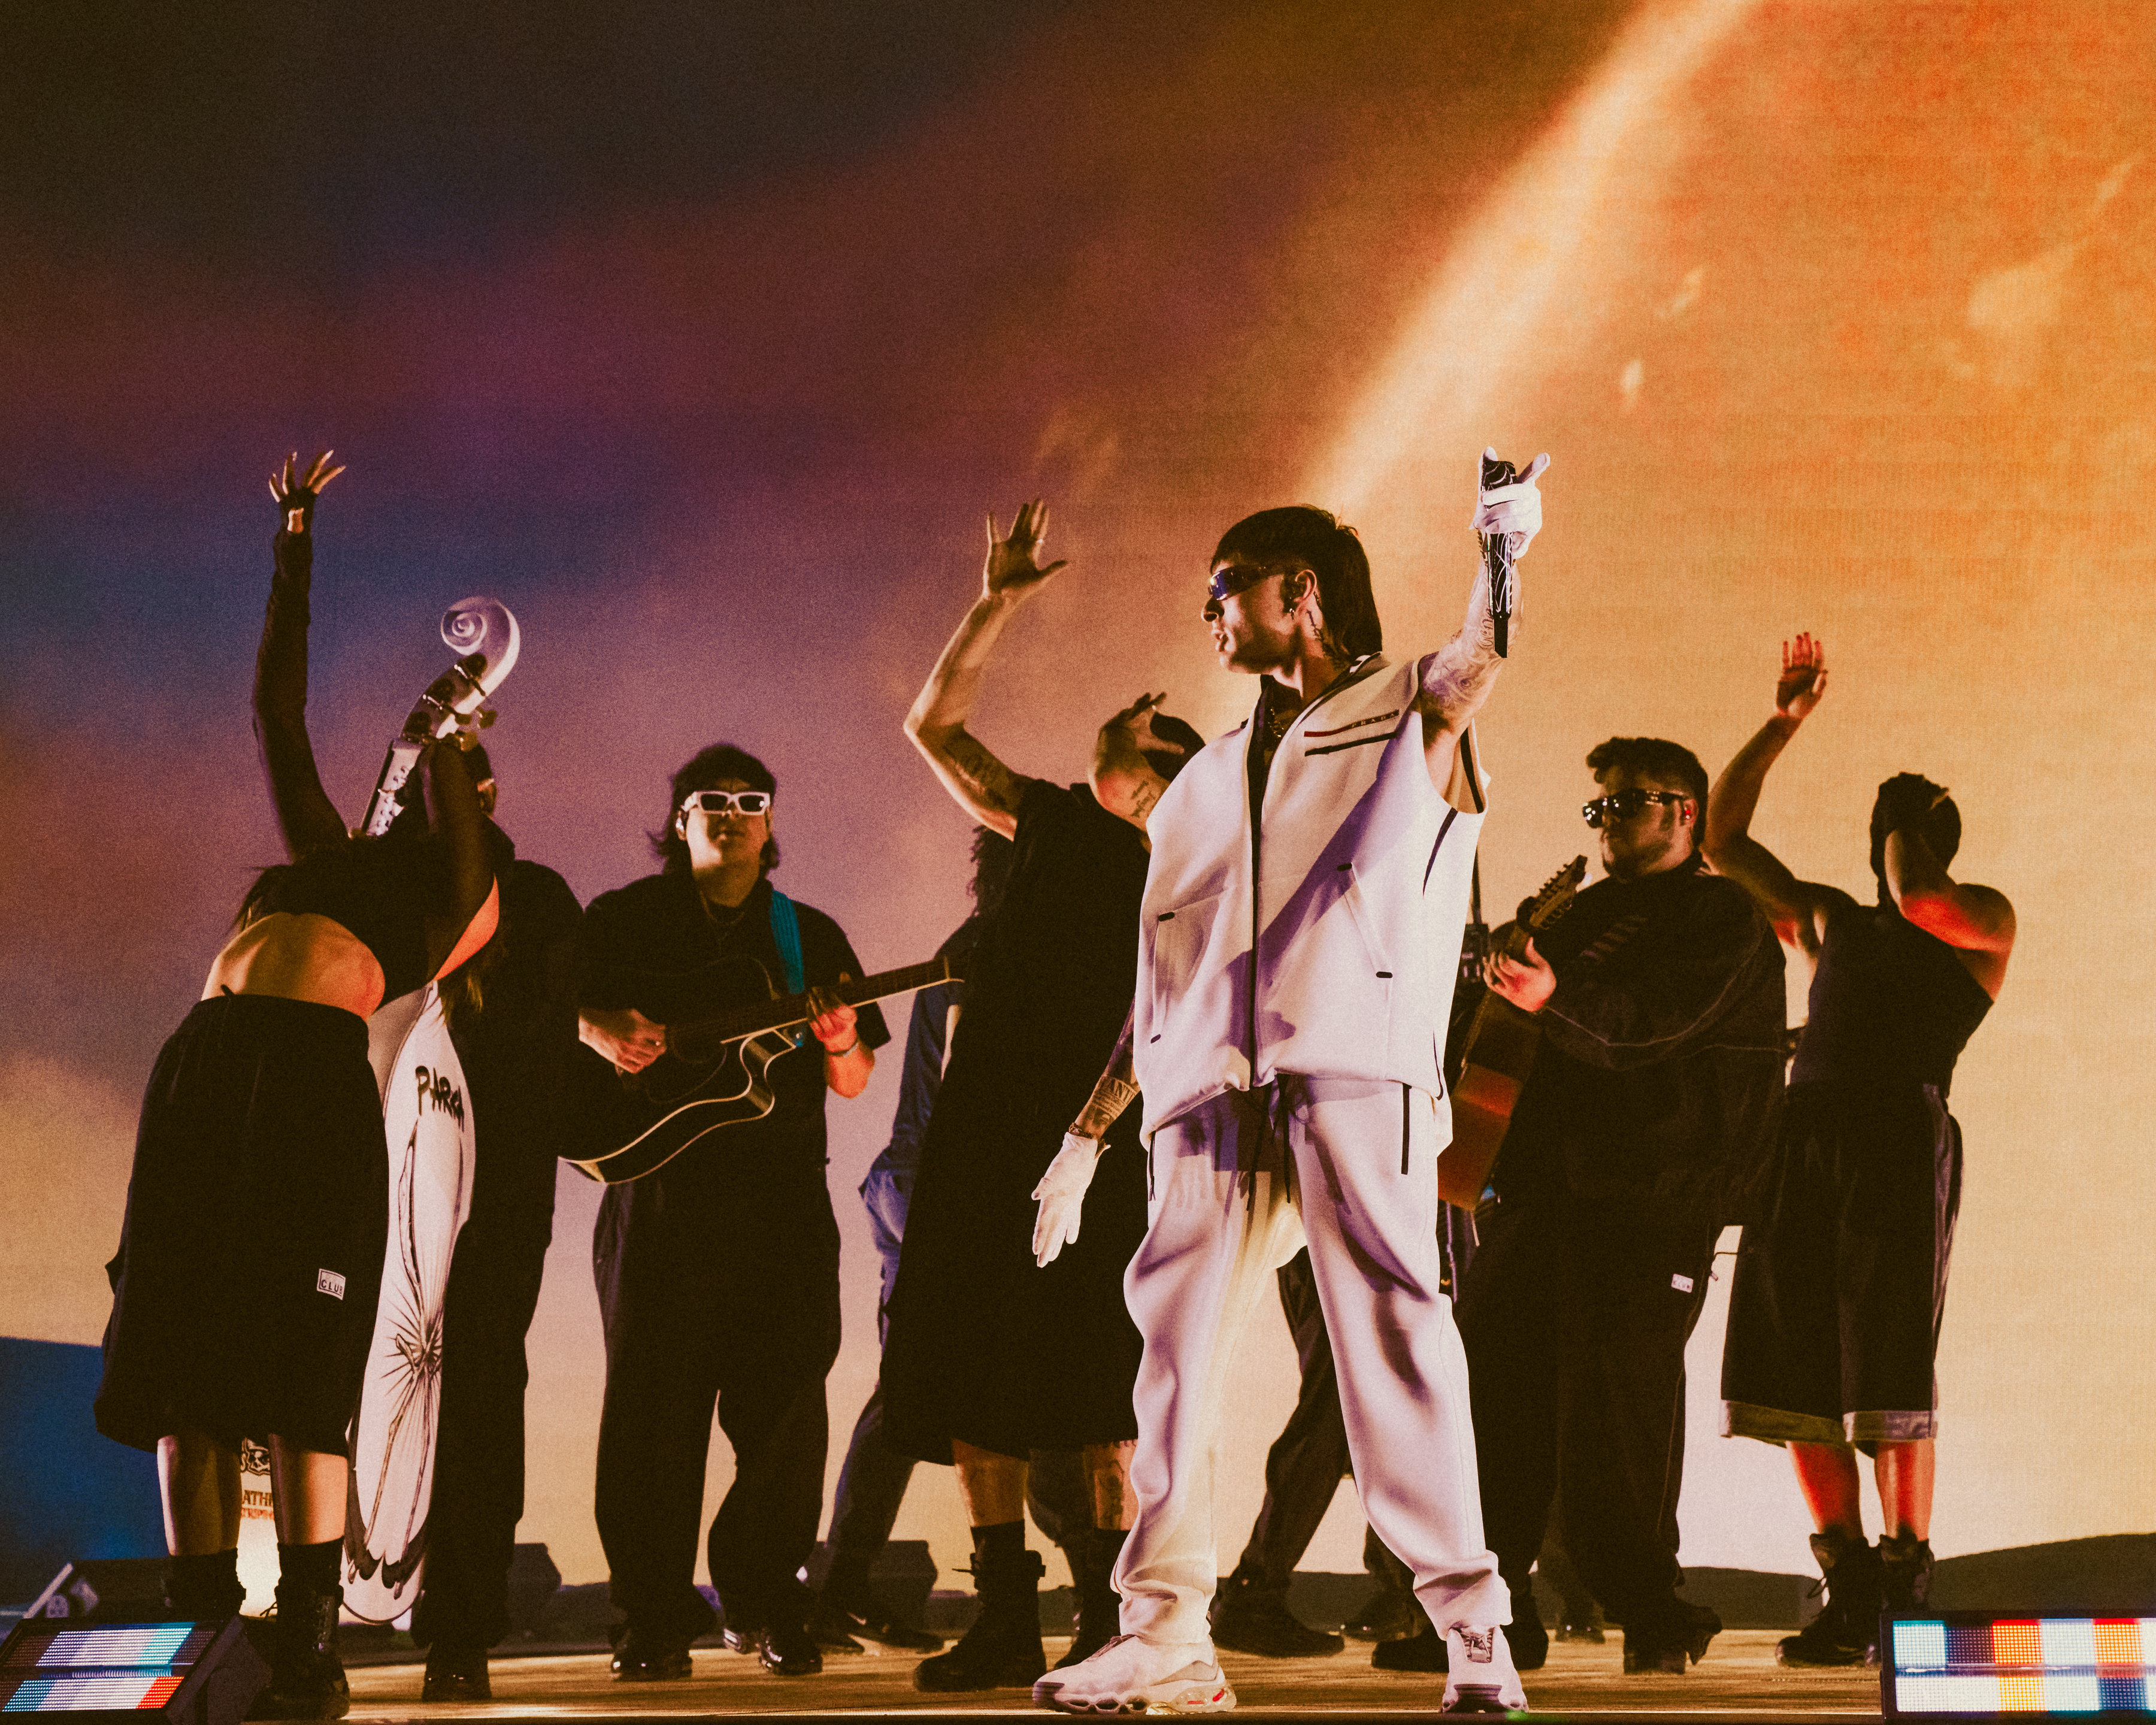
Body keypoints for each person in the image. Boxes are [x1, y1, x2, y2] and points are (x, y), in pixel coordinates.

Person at [1033, 455, 1550, 1717]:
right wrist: (1085, 1138)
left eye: (1229, 588)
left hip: (1350, 1072)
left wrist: (1502, 548)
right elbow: (1166, 975)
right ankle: (1165, 1637)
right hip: (1208, 1095)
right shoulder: (1202, 781)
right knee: (1172, 1358)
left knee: (1393, 1336)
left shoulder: (1405, 705)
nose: (1211, 613)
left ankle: (1474, 1631)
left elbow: (1482, 656)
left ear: (1299, 592)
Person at [94, 453, 499, 1719]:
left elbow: (466, 821)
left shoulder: (459, 903)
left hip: (313, 1091)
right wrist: (296, 541)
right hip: (207, 1068)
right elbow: (275, 716)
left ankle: (307, 1645)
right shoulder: (326, 854)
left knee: (299, 1381)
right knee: (184, 1368)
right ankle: (197, 1627)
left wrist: (456, 725)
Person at [879, 501, 1203, 1693]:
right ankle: (1006, 1609)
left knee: (1094, 1382)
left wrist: (1085, 1144)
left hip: (1101, 1151)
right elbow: (935, 727)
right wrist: (997, 602)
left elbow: (1158, 1018)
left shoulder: (1196, 868)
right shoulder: (1059, 823)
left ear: (1168, 775)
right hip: (986, 1132)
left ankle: (1109, 1615)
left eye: (1148, 736)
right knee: (976, 1373)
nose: (1119, 732)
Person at [1706, 634, 2013, 1666]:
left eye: (1901, 827)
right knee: (1792, 1361)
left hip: (1897, 1136)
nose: (1888, 841)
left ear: (1928, 840)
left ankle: (1903, 1569)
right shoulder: (1832, 922)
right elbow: (1722, 839)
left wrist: (1899, 829)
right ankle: (1845, 1582)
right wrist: (1782, 724)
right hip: (1811, 1135)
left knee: (1887, 1366)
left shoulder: (1981, 923)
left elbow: (1923, 900)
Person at [1457, 735, 1785, 1676]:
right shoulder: (1583, 912)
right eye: (1596, 806)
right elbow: (1518, 1032)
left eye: (1626, 803)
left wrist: (1555, 993)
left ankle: (1654, 1610)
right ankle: (1499, 1606)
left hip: (1649, 1202)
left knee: (1615, 1410)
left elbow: (1655, 1026)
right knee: (1493, 1394)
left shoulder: (1722, 915)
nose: (1605, 821)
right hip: (1543, 1195)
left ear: (1685, 811)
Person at [578, 745, 891, 1681]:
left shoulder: (810, 935)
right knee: (650, 1418)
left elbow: (854, 1078)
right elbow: (553, 1005)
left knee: (791, 1408)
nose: (730, 813)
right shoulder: (622, 920)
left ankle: (765, 1601)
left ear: (769, 824)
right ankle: (650, 1622)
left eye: (749, 802)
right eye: (708, 801)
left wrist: (837, 1040)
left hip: (782, 1204)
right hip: (658, 1198)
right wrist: (602, 1030)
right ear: (678, 821)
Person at [405, 745, 585, 1702]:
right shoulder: (381, 885)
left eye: (459, 784)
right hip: (387, 1183)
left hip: (495, 1198)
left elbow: (537, 1046)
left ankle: (461, 1628)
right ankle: (301, 1613)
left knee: (477, 1397)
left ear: (483, 795)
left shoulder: (541, 898)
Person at [810, 826, 1012, 1654]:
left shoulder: (977, 941)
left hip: (920, 1184)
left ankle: (845, 1586)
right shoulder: (991, 949)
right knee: (930, 1392)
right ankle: (843, 1586)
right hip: (938, 1190)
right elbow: (971, 1076)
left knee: (924, 1391)